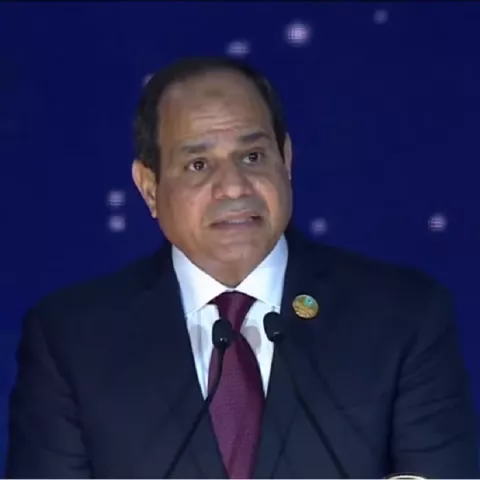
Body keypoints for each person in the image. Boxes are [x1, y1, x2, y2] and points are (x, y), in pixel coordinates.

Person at [5, 56, 479, 479]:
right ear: (149, 187)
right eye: (198, 165)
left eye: (252, 157)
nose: (233, 187)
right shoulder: (71, 340)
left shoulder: (403, 316)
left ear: (285, 161)